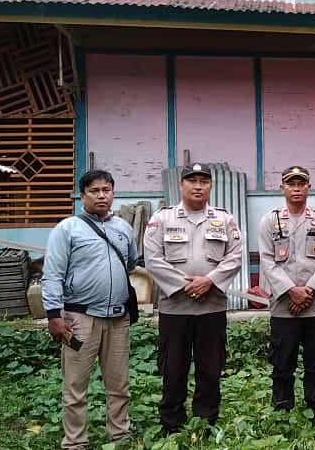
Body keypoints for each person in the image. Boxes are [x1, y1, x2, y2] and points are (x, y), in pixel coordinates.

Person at [143, 163, 243, 433]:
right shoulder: (162, 219)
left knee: (210, 368)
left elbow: (235, 257)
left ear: (211, 186)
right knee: (173, 368)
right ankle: (172, 423)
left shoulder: (224, 219)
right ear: (181, 185)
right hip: (175, 308)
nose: (198, 186)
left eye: (203, 181)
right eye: (192, 181)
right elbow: (152, 259)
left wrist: (209, 281)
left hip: (211, 308)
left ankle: (206, 420)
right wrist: (184, 285)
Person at [42, 170, 137, 450]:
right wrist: (53, 315)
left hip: (118, 319)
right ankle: (75, 441)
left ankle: (120, 434)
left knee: (119, 384)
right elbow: (52, 274)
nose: (101, 195)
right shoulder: (67, 229)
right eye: (94, 191)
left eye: (106, 190)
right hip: (79, 319)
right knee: (75, 386)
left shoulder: (123, 228)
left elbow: (131, 263)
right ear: (82, 195)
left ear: (113, 193)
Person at [258, 165, 315, 428]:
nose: (296, 188)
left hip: (314, 306)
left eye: (301, 184)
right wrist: (290, 290)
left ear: (308, 188)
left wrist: (308, 291)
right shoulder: (270, 221)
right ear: (282, 188)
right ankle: (282, 413)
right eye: (291, 184)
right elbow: (267, 261)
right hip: (283, 307)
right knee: (282, 362)